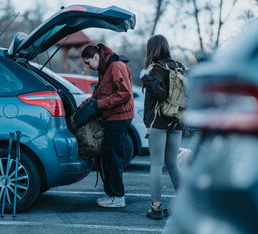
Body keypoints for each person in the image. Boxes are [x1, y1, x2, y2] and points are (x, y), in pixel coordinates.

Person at [78, 43, 134, 208]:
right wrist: (81, 108)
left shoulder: (116, 67)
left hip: (120, 117)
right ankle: (111, 194)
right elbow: (95, 97)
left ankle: (118, 197)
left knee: (114, 157)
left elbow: (125, 93)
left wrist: (101, 104)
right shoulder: (104, 70)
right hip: (111, 118)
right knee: (107, 157)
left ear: (96, 56)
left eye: (88, 63)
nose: (88, 67)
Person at [139, 35, 186, 219]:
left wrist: (145, 77)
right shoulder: (180, 66)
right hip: (177, 121)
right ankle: (184, 204)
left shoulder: (155, 69)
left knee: (156, 164)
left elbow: (160, 93)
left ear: (152, 49)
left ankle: (156, 207)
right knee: (172, 163)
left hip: (159, 121)